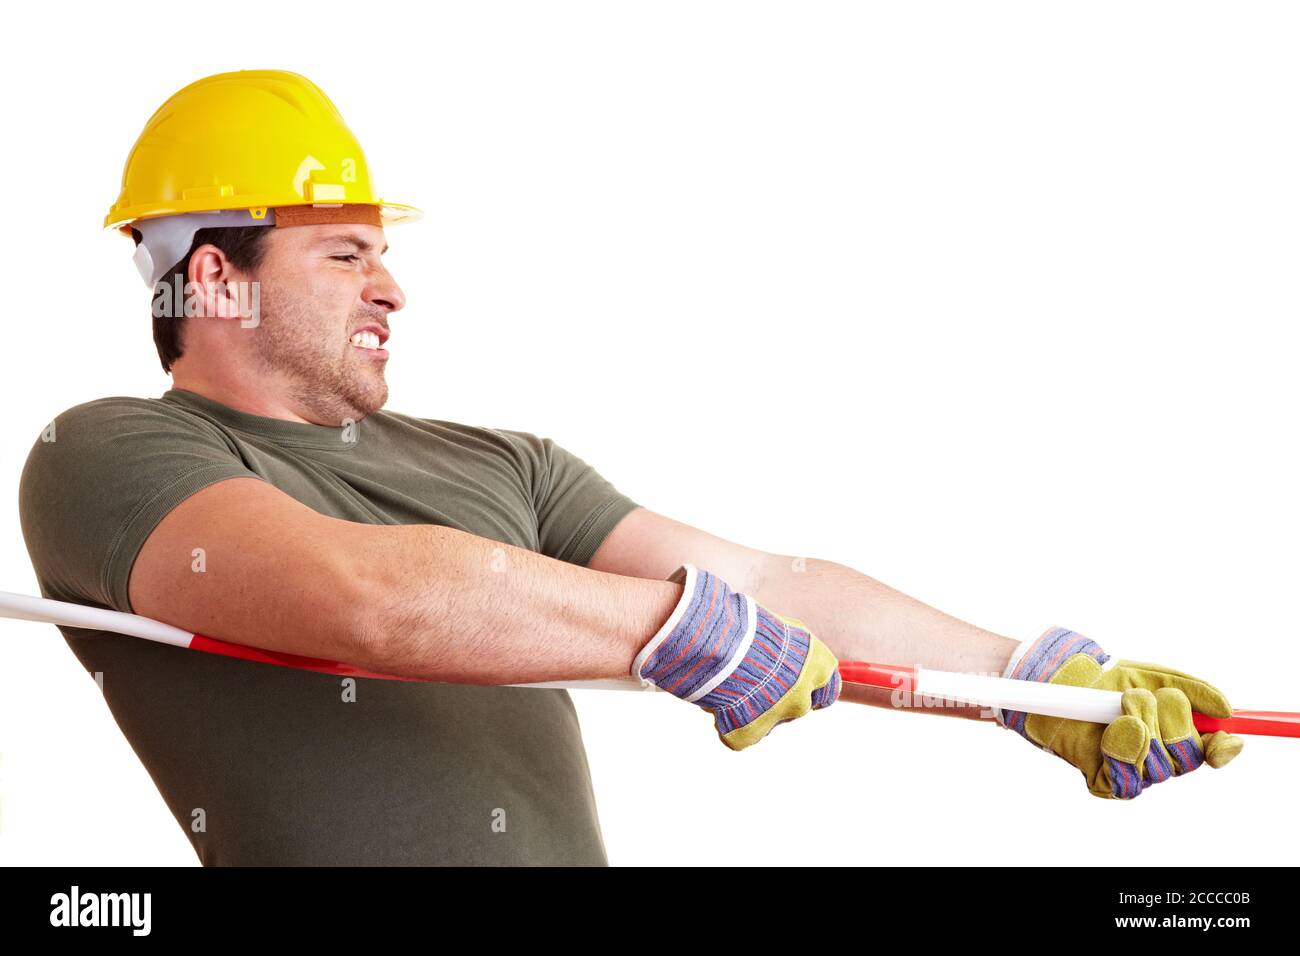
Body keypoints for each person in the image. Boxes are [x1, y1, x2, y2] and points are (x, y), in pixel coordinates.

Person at [17, 70, 1243, 866]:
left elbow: (764, 578)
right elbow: (366, 599)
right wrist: (677, 630)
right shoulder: (114, 452)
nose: (393, 286)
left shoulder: (505, 463)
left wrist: (1025, 681)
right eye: (343, 254)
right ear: (212, 277)